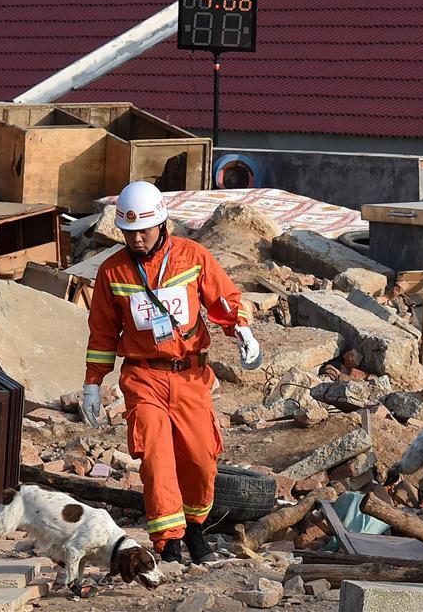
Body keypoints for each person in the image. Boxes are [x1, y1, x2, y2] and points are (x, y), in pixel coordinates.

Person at [81, 181, 262, 563]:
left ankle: (196, 529)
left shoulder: (193, 256)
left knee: (200, 459)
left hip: (190, 376)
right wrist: (93, 383)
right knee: (156, 459)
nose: (137, 240)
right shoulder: (113, 272)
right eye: (129, 233)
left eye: (144, 231)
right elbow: (101, 332)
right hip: (143, 378)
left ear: (162, 224)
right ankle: (170, 545)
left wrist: (242, 328)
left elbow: (224, 300)